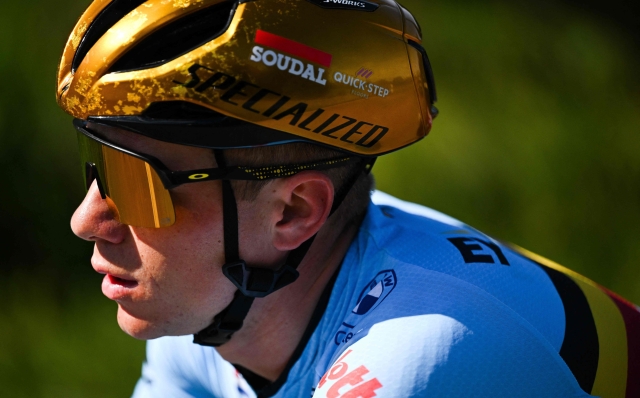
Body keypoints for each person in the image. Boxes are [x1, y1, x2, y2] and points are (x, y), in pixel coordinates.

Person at [57, 0, 639, 397]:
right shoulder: (207, 313)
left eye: (138, 184)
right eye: (99, 169)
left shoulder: (414, 365)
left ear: (294, 213)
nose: (86, 220)